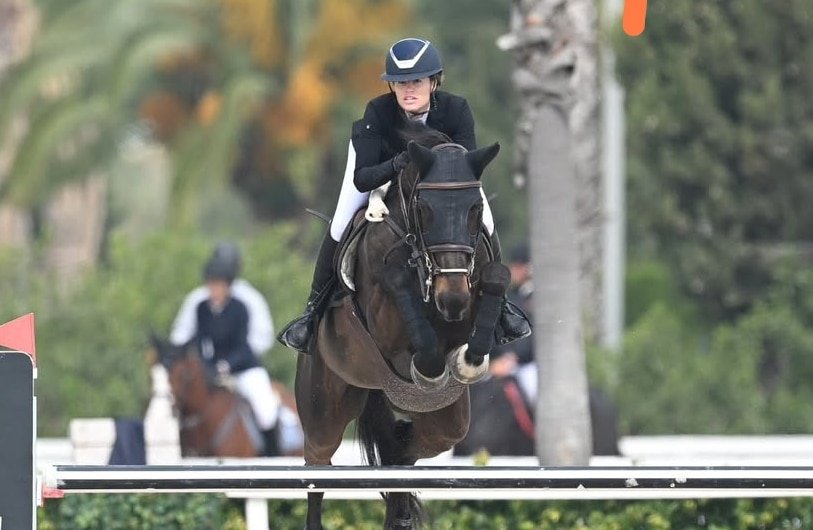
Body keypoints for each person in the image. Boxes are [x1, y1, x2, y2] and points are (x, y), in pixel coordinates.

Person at [277, 37, 531, 355]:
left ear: (434, 82)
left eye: (416, 81)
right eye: (399, 83)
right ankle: (312, 314)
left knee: (487, 221)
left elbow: (464, 165)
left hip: (441, 183)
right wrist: (399, 162)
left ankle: (503, 308)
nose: (408, 90)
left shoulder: (456, 110)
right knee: (341, 222)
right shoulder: (378, 113)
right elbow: (363, 177)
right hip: (376, 172)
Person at [170, 242, 281, 456]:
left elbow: (256, 342)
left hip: (245, 368)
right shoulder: (200, 303)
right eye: (211, 283)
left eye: (218, 283)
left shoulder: (245, 303)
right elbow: (188, 337)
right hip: (210, 370)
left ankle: (272, 456)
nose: (213, 289)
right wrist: (206, 367)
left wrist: (228, 365)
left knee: (266, 408)